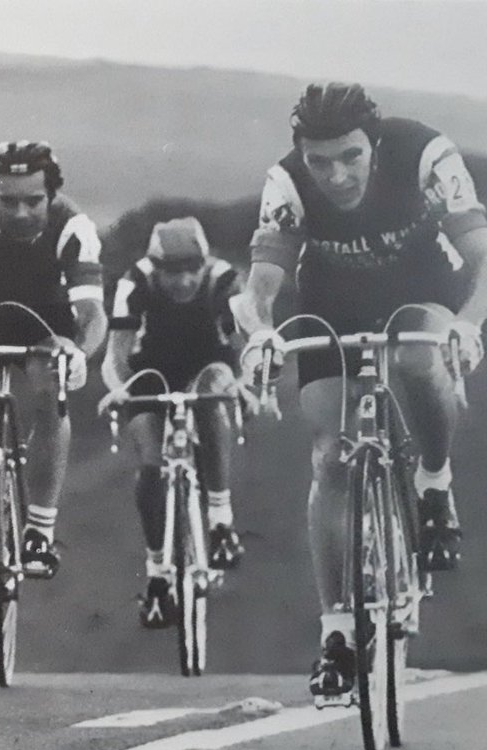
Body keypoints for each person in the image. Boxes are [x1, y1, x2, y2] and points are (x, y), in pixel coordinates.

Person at [229, 82, 487, 700]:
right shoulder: (286, 184)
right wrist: (261, 333)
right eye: (320, 162)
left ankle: (432, 479)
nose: (336, 176)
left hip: (423, 287)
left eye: (350, 157)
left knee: (419, 359)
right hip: (333, 304)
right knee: (328, 454)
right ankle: (339, 633)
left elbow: (482, 255)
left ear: (374, 142)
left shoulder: (426, 155)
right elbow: (261, 284)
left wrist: (470, 322)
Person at [0, 141, 108, 626]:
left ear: (52, 195)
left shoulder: (74, 227)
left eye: (33, 200)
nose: (21, 211)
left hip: (41, 320)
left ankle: (39, 531)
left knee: (51, 391)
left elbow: (92, 311)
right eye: (8, 201)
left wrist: (78, 349)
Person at [100, 216, 246, 629]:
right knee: (150, 466)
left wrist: (245, 386)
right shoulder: (135, 283)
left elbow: (244, 348)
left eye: (190, 271)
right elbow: (115, 355)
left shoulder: (224, 280)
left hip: (207, 364)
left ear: (205, 264)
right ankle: (158, 574)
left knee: (214, 396)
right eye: (172, 272)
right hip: (149, 371)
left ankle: (220, 522)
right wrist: (119, 388)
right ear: (155, 268)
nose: (182, 282)